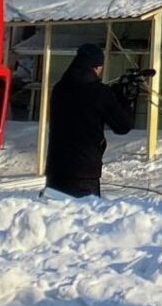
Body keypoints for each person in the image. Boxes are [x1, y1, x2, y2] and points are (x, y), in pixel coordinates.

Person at [44, 41, 141, 198]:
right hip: (84, 172)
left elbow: (82, 107)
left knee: (55, 218)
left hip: (56, 170)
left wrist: (112, 95)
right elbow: (123, 126)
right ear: (96, 67)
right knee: (83, 218)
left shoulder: (59, 89)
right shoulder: (99, 93)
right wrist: (125, 98)